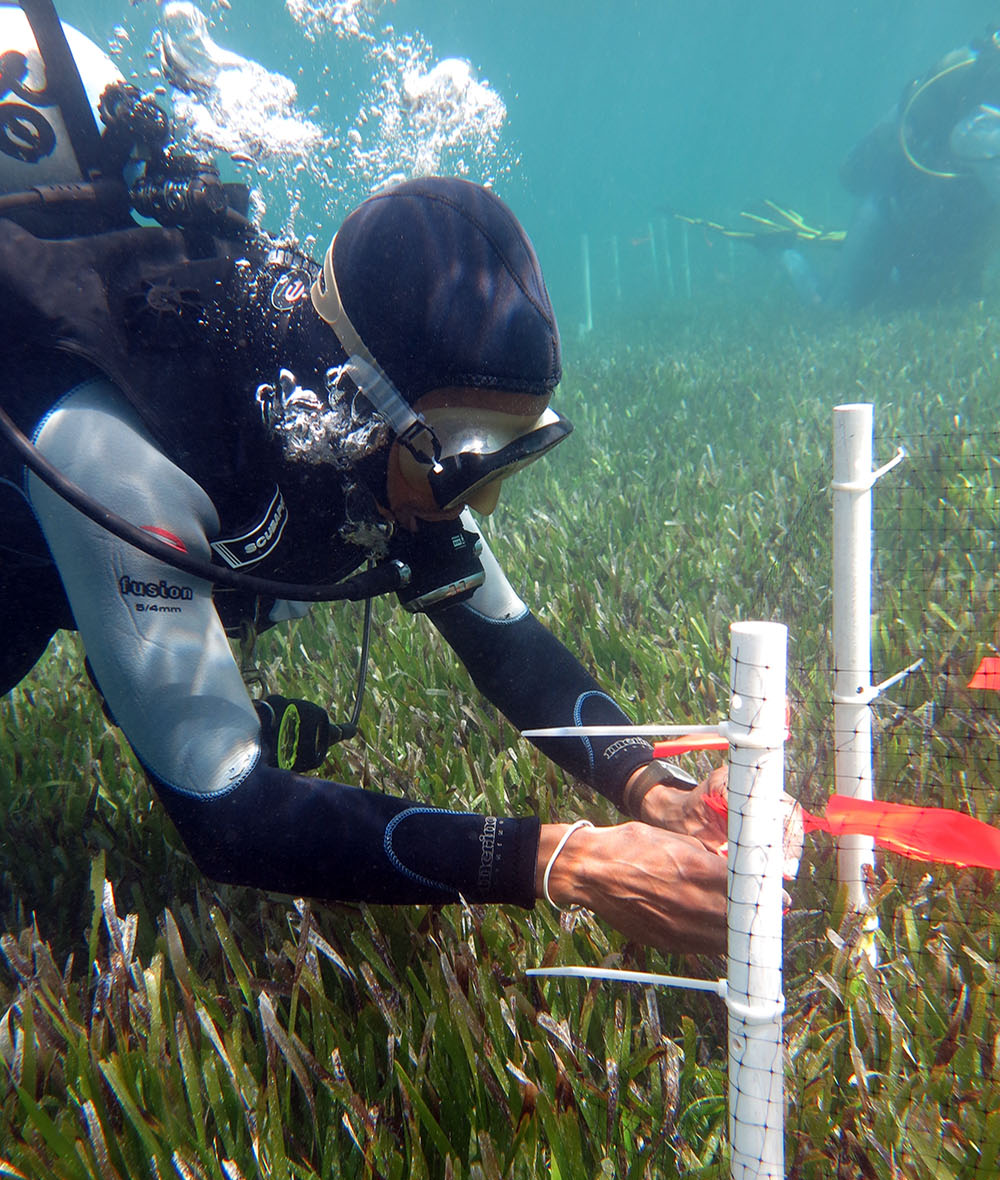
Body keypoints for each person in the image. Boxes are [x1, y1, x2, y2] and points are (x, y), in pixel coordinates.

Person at [0, 2, 729, 955]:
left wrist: (651, 788)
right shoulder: (119, 457)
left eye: (512, 453)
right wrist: (569, 862)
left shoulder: (373, 429)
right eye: (466, 461)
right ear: (362, 402)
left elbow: (504, 642)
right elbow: (227, 813)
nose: (482, 501)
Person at [782, 28, 1000, 311]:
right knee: (834, 310)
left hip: (948, 225)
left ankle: (893, 272)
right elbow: (968, 138)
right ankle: (784, 252)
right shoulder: (983, 83)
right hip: (889, 211)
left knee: (921, 298)